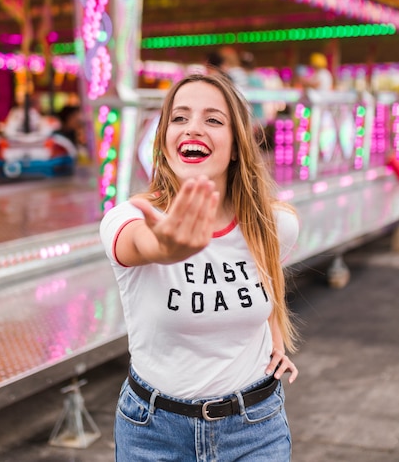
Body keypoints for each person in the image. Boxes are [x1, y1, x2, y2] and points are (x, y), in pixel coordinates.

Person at [100, 73, 299, 462]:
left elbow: (267, 284)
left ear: (238, 145)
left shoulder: (275, 225)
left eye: (213, 119)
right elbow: (139, 244)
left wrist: (274, 334)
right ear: (164, 141)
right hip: (152, 433)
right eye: (179, 118)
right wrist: (165, 246)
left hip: (256, 428)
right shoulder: (128, 218)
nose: (193, 127)